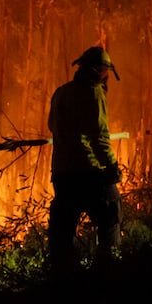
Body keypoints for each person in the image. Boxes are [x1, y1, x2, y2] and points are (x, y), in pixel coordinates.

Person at [47, 46, 122, 272]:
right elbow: (98, 136)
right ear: (100, 71)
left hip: (62, 173)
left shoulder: (61, 92)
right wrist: (112, 166)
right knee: (110, 219)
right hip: (90, 173)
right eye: (105, 71)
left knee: (63, 231)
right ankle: (108, 273)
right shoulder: (94, 92)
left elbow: (52, 126)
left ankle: (62, 278)